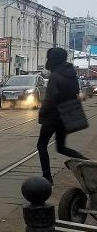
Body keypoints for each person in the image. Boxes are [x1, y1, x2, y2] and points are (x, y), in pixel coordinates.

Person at [37, 47, 88, 185]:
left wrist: (42, 112)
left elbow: (50, 99)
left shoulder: (55, 76)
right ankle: (86, 162)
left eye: (49, 58)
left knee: (41, 146)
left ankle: (47, 177)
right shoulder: (71, 74)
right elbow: (75, 92)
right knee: (61, 147)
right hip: (65, 117)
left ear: (54, 59)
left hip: (52, 117)